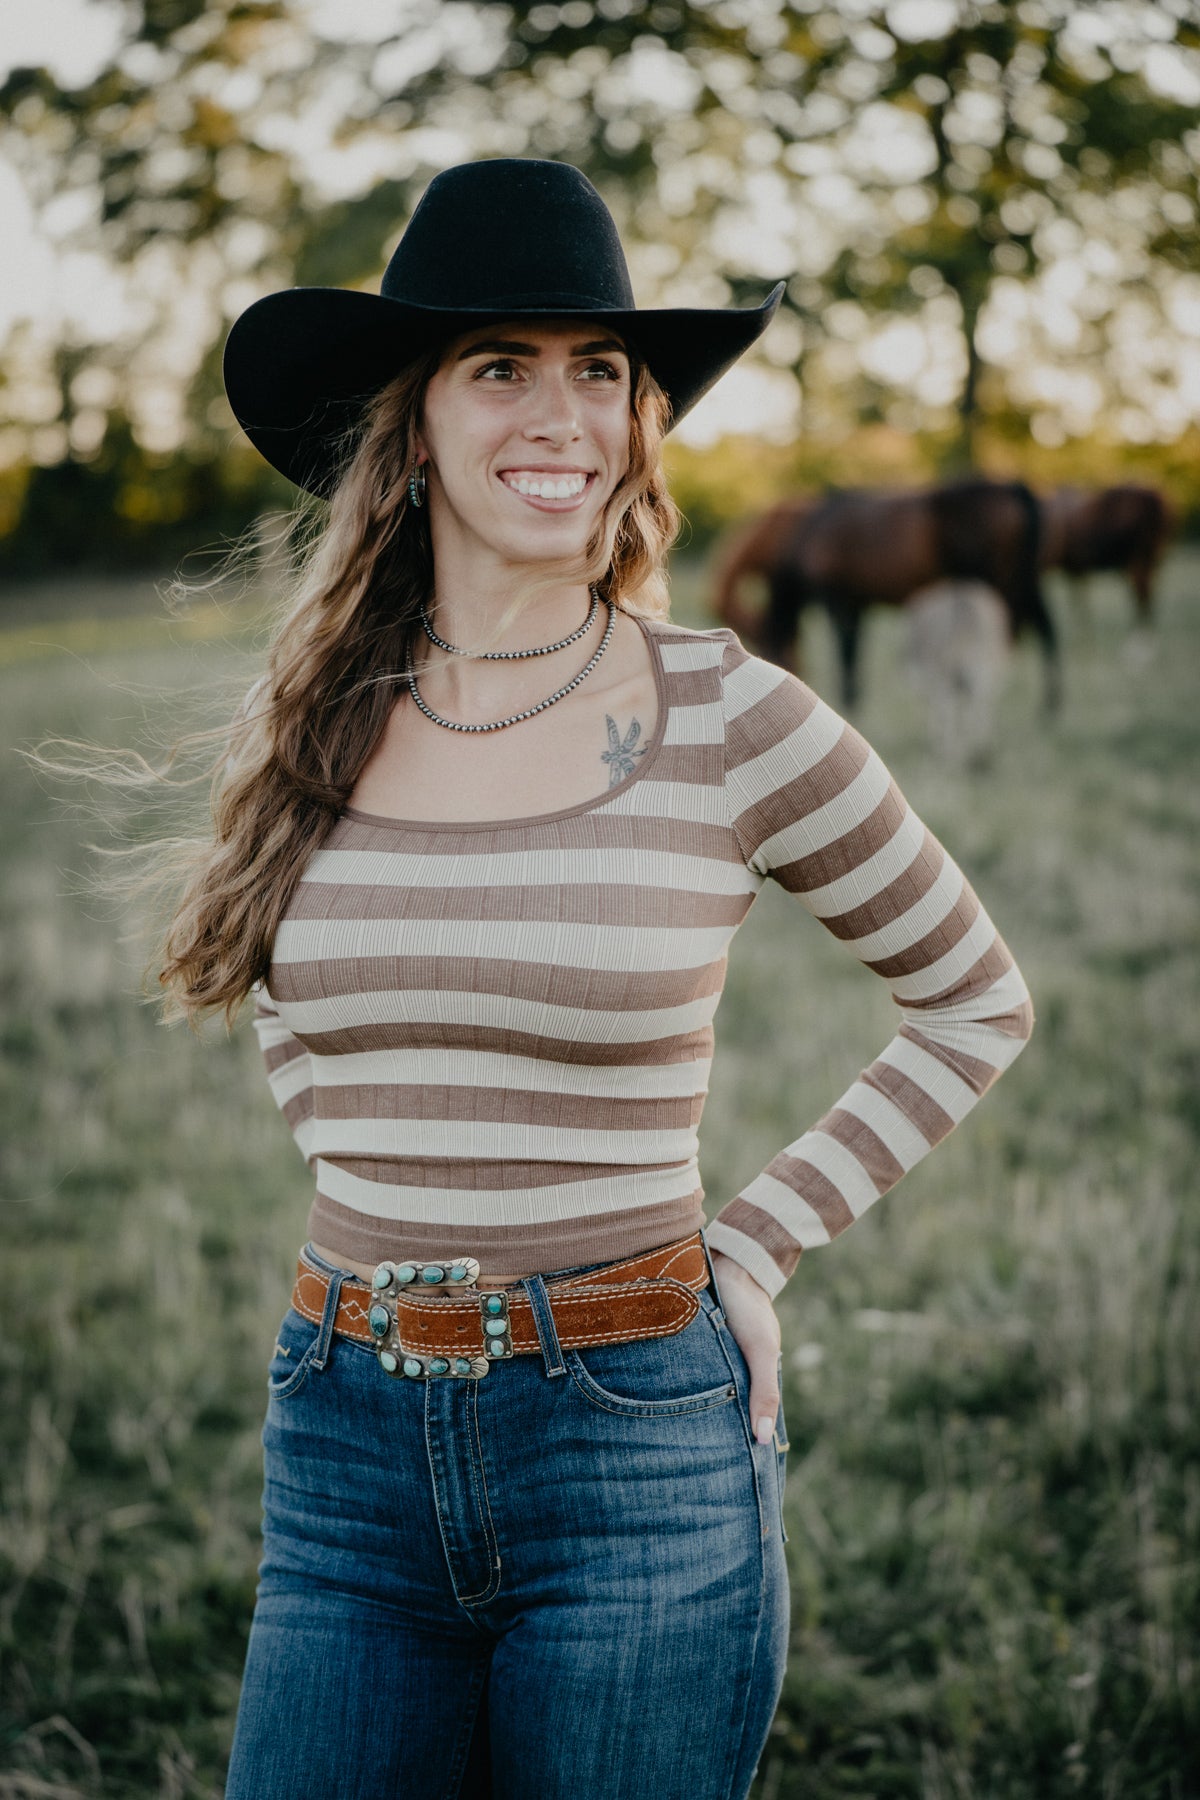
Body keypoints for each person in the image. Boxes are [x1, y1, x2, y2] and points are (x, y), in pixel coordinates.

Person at [167, 158, 1033, 1798]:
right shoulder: (319, 715)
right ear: (410, 421)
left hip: (632, 1441)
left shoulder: (734, 717)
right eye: (502, 364)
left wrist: (761, 1244)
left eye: (602, 370)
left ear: (641, 421)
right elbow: (278, 990)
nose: (559, 412)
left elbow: (976, 998)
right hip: (344, 1449)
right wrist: (385, 1173)